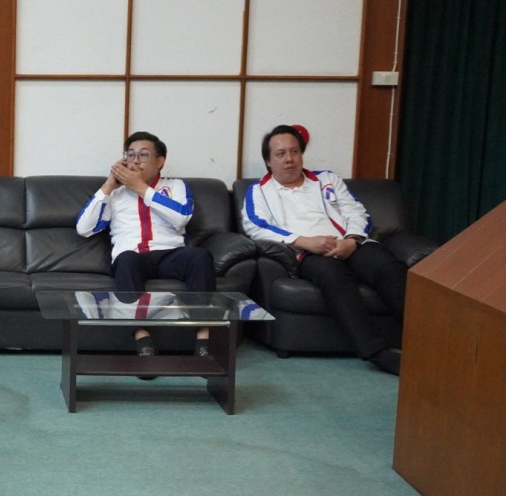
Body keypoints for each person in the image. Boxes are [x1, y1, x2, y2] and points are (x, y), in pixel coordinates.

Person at [240, 124, 406, 375]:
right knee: (333, 277)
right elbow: (256, 226)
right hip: (308, 252)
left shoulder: (327, 180)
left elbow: (357, 212)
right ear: (269, 161)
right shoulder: (259, 191)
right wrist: (303, 241)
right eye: (281, 154)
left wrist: (351, 240)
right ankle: (376, 351)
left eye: (294, 152)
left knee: (389, 267)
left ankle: (425, 337)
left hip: (350, 243)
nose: (289, 159)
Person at [75, 131, 215, 358]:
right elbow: (84, 228)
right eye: (130, 155)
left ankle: (203, 338)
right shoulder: (116, 193)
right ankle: (142, 337)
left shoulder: (176, 186)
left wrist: (140, 187)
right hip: (133, 257)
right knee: (125, 260)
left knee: (200, 257)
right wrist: (110, 184)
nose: (135, 160)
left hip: (171, 255)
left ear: (159, 162)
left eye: (143, 155)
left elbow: (181, 217)